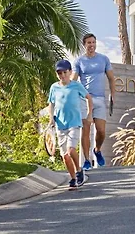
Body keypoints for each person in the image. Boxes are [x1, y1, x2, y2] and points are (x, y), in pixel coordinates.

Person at [72, 33, 116, 169]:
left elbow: (111, 78)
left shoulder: (104, 59)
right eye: (89, 43)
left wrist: (113, 95)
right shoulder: (79, 61)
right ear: (84, 45)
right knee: (85, 130)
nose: (91, 45)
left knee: (101, 131)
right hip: (84, 99)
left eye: (93, 42)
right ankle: (86, 160)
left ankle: (97, 150)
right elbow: (74, 80)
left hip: (100, 99)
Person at [48, 59, 93, 190]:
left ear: (70, 72)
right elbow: (51, 103)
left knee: (71, 149)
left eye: (64, 72)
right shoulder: (54, 87)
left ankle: (79, 171)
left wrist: (89, 114)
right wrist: (51, 118)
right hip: (60, 124)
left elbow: (89, 98)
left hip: (74, 122)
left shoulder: (76, 85)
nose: (62, 75)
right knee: (65, 156)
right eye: (59, 73)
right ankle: (73, 179)